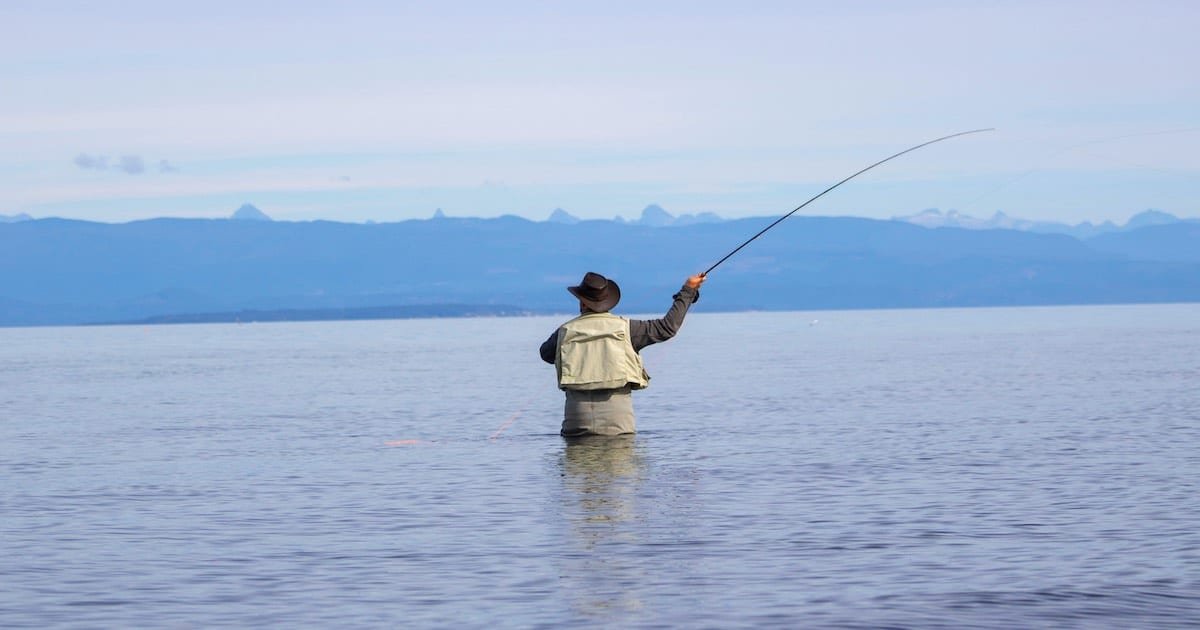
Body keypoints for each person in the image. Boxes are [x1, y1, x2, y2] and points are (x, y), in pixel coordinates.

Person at [539, 271, 705, 437]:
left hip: (575, 420)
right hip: (618, 423)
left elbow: (545, 354)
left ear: (582, 303)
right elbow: (667, 328)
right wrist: (688, 290)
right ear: (608, 302)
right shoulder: (628, 329)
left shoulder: (564, 332)